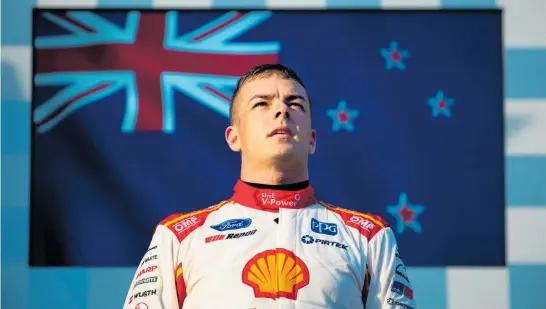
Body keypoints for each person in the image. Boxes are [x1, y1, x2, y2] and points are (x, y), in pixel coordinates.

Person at [123, 64, 417, 309]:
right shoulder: (177, 237)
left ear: (312, 140)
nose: (282, 111)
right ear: (233, 137)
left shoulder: (369, 237)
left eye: (295, 104)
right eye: (262, 103)